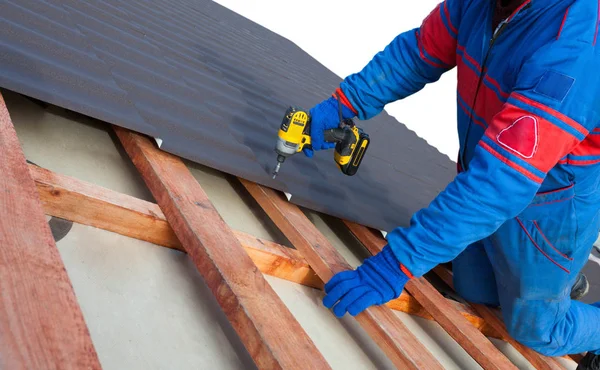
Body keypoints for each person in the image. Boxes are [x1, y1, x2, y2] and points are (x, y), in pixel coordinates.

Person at [304, 0, 600, 367]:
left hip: (548, 212)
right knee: (472, 288)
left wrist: (395, 264)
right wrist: (345, 103)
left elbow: (501, 180)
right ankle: (555, 283)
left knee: (536, 328)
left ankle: (568, 301)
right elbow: (418, 53)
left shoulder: (576, 45)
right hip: (488, 177)